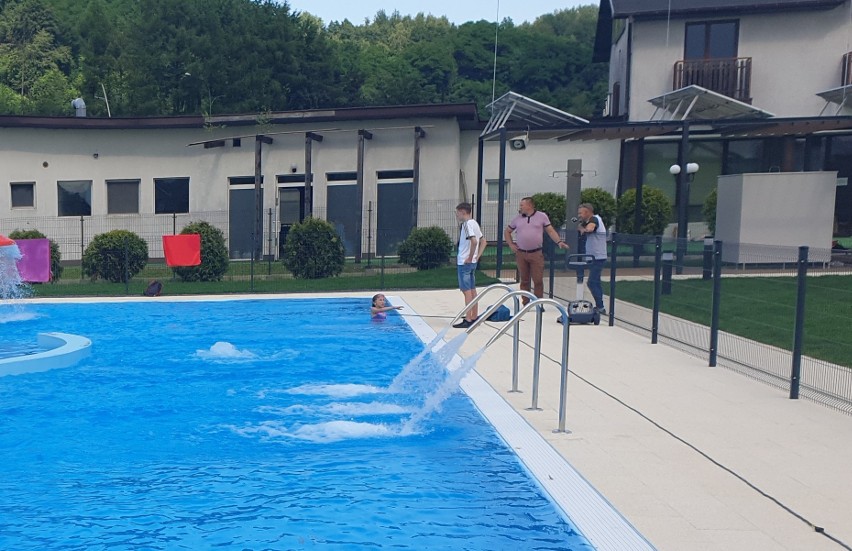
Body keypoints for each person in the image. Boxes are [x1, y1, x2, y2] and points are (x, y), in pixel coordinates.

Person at [504, 197, 569, 305]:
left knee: (538, 280)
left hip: (536, 253)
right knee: (524, 280)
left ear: (529, 205)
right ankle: (526, 302)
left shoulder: (542, 216)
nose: (520, 207)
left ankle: (539, 303)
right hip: (521, 253)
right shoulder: (518, 219)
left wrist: (559, 242)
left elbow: (550, 231)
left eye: (522, 205)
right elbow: (507, 231)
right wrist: (511, 244)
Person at [453, 202, 486, 328]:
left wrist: (471, 257)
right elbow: (484, 241)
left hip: (465, 262)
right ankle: (474, 315)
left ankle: (468, 318)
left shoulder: (466, 224)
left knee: (466, 291)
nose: (457, 215)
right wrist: (476, 257)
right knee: (472, 289)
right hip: (472, 263)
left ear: (462, 212)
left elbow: (474, 241)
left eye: (457, 212)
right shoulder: (475, 223)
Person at [576, 203, 607, 314]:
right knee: (596, 281)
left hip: (597, 256)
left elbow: (590, 228)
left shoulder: (594, 219)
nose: (579, 215)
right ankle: (600, 305)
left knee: (592, 282)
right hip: (593, 256)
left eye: (581, 213)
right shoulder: (591, 220)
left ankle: (600, 306)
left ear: (588, 211)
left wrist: (584, 229)